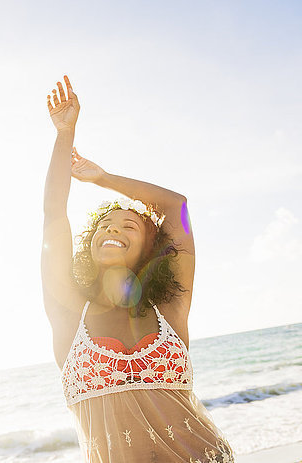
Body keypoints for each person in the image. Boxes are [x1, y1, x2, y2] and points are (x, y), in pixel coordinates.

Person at [41, 75, 235, 462]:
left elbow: (176, 207)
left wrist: (103, 179)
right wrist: (66, 132)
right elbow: (53, 217)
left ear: (150, 249)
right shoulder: (68, 312)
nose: (112, 229)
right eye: (104, 226)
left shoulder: (170, 308)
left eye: (129, 225)